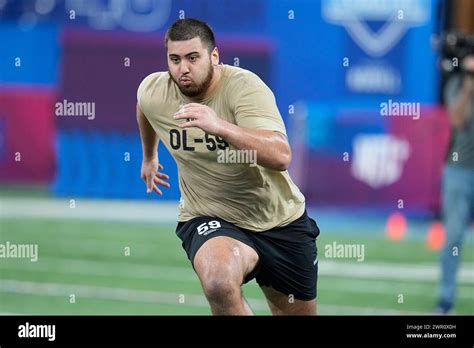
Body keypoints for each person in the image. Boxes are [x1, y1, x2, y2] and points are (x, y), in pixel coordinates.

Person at [136, 18, 320, 315]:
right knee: (219, 281)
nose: (183, 68)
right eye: (175, 59)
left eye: (192, 58)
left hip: (279, 220)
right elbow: (144, 107)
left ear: (214, 57)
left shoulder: (245, 88)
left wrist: (220, 126)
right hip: (209, 216)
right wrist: (149, 156)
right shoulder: (155, 91)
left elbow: (281, 156)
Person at [435, 54, 474, 314]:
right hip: (460, 170)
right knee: (453, 236)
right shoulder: (457, 84)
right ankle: (445, 300)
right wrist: (469, 86)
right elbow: (458, 120)